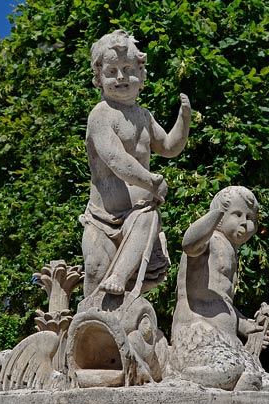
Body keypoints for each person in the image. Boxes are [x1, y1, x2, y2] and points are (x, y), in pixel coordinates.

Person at [80, 30, 191, 300]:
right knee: (95, 270)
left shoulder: (144, 116)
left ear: (141, 75)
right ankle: (86, 319)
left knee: (147, 217)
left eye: (128, 69)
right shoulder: (101, 115)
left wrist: (184, 119)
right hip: (102, 216)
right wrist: (152, 182)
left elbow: (169, 147)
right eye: (111, 71)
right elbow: (117, 160)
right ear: (99, 78)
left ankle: (119, 278)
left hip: (136, 213)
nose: (120, 77)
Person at [167, 186, 269, 391]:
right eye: (237, 214)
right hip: (198, 335)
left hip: (226, 341)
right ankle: (178, 377)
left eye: (250, 217)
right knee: (229, 372)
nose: (245, 222)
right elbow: (189, 244)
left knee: (263, 381)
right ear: (220, 217)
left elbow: (222, 301)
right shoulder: (208, 241)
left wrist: (247, 326)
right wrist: (213, 216)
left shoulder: (230, 250)